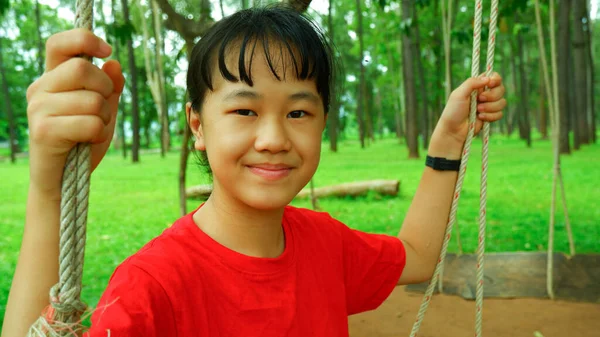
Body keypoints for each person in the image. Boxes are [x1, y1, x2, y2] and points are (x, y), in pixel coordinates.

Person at [3, 5, 506, 337]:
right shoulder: (151, 288)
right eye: (245, 111)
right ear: (198, 125)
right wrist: (50, 193)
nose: (273, 139)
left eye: (298, 112)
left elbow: (417, 258)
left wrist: (447, 141)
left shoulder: (326, 246)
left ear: (323, 123)